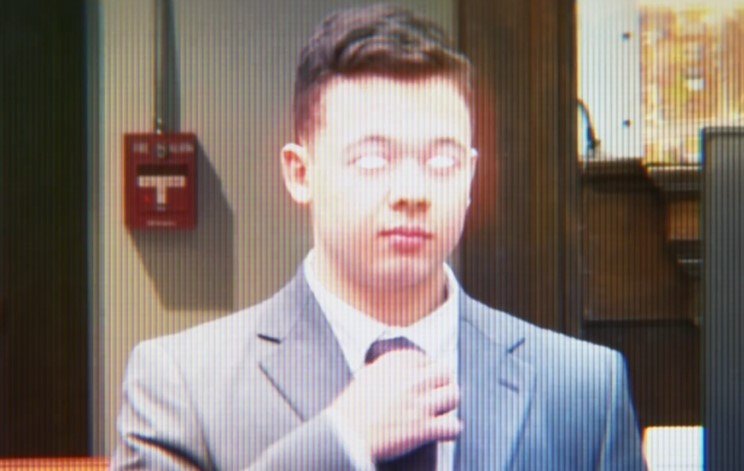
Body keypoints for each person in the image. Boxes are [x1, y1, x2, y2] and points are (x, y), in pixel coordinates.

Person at [112, 4, 646, 470]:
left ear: (470, 176)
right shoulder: (183, 384)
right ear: (301, 173)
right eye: (372, 160)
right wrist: (340, 441)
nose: (412, 192)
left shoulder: (581, 388)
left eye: (442, 161)